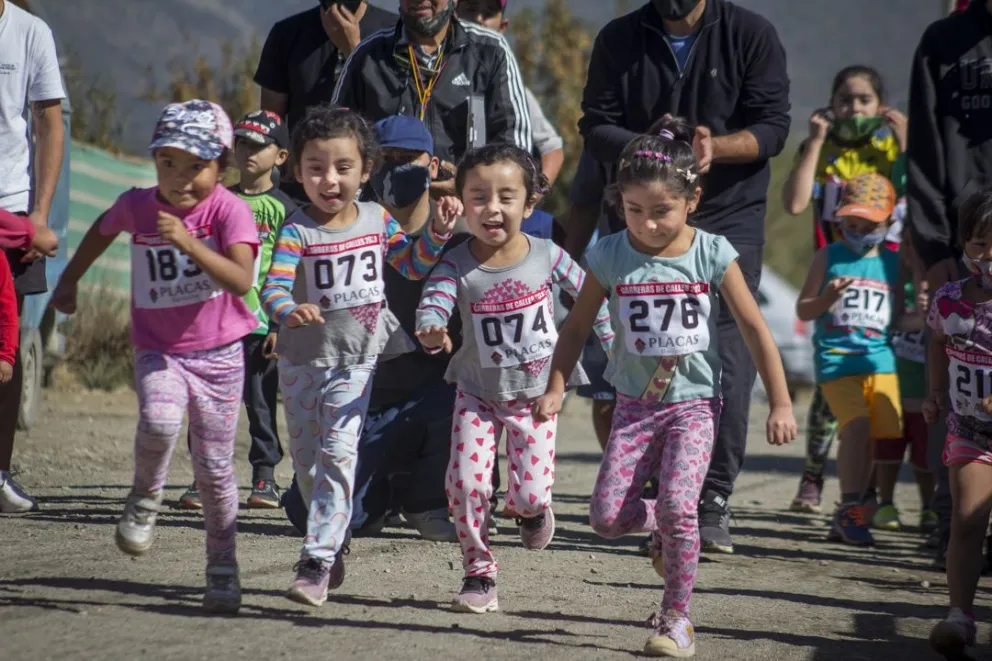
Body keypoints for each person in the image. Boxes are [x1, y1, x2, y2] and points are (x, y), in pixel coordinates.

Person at [535, 119, 796, 658]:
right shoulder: (609, 254)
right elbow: (577, 326)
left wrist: (781, 400)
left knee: (683, 507)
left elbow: (753, 328)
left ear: (691, 201)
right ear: (619, 203)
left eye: (662, 211)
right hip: (634, 407)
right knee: (606, 518)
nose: (648, 224)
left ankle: (676, 619)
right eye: (634, 210)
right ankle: (664, 526)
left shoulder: (713, 253)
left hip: (695, 408)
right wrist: (557, 384)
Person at [578, 0, 791, 554]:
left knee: (727, 347)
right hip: (643, 201)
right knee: (633, 341)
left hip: (726, 208)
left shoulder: (752, 33)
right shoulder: (620, 37)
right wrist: (651, 155)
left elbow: (773, 128)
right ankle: (653, 488)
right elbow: (593, 124)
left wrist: (711, 150)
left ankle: (711, 495)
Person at [51, 100, 260, 614]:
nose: (180, 179)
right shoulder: (140, 206)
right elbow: (103, 227)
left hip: (220, 355)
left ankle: (222, 566)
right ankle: (145, 498)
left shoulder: (228, 211)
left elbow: (241, 279)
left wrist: (190, 245)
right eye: (169, 163)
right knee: (161, 421)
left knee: (214, 469)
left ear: (222, 168)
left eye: (196, 167)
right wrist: (70, 281)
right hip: (159, 350)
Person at [260, 106, 456, 607]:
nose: (329, 180)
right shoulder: (296, 231)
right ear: (297, 171)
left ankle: (316, 558)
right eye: (316, 168)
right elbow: (273, 289)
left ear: (365, 171)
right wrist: (288, 310)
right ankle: (332, 539)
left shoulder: (376, 219)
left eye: (343, 168)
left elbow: (410, 266)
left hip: (357, 360)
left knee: (339, 454)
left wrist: (435, 231)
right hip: (303, 363)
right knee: (307, 466)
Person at [415, 144, 613, 613]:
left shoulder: (548, 254)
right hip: (477, 393)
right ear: (462, 202)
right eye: (479, 197)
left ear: (530, 203)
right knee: (465, 484)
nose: (493, 208)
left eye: (507, 196)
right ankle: (479, 573)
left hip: (539, 395)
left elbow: (589, 299)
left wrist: (614, 346)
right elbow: (434, 301)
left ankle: (532, 508)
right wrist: (430, 329)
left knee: (528, 493)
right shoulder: (456, 263)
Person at [782, 65, 907, 513]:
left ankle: (867, 493)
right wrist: (815, 142)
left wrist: (907, 142)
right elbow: (795, 203)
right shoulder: (824, 145)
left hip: (884, 271)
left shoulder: (889, 144)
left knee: (878, 394)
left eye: (864, 101)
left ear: (881, 105)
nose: (854, 109)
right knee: (832, 383)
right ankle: (814, 477)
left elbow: (916, 192)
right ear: (830, 106)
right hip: (834, 270)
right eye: (845, 101)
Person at [176, 110, 298, 511]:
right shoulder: (217, 201)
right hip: (216, 323)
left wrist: (282, 323)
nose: (249, 151)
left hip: (263, 324)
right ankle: (204, 479)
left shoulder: (287, 210)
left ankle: (264, 479)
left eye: (259, 145)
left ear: (280, 156)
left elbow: (294, 269)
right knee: (210, 404)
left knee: (261, 405)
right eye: (243, 142)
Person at [907, 0, 992, 571]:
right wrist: (935, 249)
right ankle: (954, 521)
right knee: (963, 382)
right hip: (967, 241)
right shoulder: (943, 40)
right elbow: (924, 156)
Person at [796, 173, 902, 548]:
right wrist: (826, 298)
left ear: (888, 221)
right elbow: (804, 309)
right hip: (836, 362)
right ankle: (849, 509)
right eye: (849, 225)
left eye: (867, 225)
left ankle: (856, 507)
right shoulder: (830, 256)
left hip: (881, 362)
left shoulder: (895, 262)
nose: (856, 232)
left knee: (875, 434)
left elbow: (902, 317)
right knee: (856, 427)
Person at [331, 0, 533, 192]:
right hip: (386, 210)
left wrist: (471, 183)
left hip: (466, 210)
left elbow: (515, 147)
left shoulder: (490, 51)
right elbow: (337, 139)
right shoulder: (367, 55)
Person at [0, 0, 66, 514]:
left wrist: (40, 214)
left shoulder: (30, 32)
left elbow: (48, 124)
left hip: (11, 209)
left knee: (8, 340)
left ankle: (0, 471)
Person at [924, 187, 992, 660]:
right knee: (967, 523)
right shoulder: (949, 298)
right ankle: (959, 615)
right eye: (981, 243)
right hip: (968, 430)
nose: (990, 255)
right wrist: (934, 392)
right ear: (964, 244)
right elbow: (935, 342)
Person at [254, 0, 397, 202]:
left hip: (374, 193)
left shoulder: (394, 33)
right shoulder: (286, 34)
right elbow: (271, 123)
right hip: (301, 193)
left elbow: (395, 111)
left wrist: (354, 51)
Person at [453, 0, 565, 187]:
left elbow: (552, 149)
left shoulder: (513, 92)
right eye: (470, 10)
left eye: (488, 13)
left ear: (503, 27)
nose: (479, 20)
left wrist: (532, 195)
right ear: (453, 15)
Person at [871, 226, 935, 533]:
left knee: (924, 459)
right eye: (905, 245)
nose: (909, 252)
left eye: (916, 246)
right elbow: (890, 321)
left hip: (924, 392)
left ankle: (928, 507)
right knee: (887, 452)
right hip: (892, 386)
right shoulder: (894, 281)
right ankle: (885, 503)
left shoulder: (941, 282)